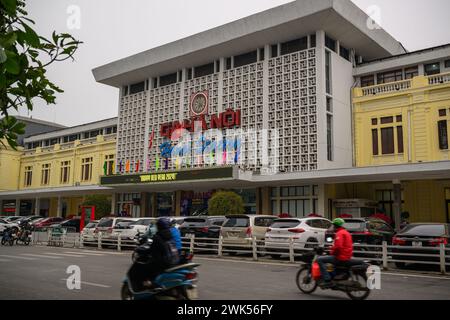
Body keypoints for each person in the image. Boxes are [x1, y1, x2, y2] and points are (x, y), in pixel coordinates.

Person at [128, 217, 179, 291]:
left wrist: (141, 251)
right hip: (174, 260)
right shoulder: (170, 235)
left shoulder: (158, 236)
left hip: (164, 262)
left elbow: (151, 249)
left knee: (143, 268)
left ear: (159, 226)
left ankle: (150, 284)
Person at [316, 218, 353, 287]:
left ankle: (327, 279)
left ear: (335, 225)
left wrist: (332, 252)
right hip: (347, 255)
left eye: (333, 225)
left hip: (341, 256)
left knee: (319, 259)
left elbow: (338, 247)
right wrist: (331, 249)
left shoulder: (339, 233)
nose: (333, 227)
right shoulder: (346, 232)